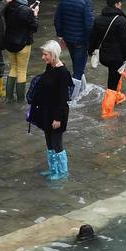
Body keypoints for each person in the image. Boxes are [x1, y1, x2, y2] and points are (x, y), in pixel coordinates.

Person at [28, 40, 73, 180]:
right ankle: (53, 169)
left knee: (57, 142)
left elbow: (63, 98)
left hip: (57, 113)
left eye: (45, 55)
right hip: (46, 111)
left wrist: (58, 118)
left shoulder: (63, 73)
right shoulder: (50, 67)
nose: (43, 57)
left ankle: (62, 172)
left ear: (53, 54)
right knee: (49, 141)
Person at [90, 0, 126, 120]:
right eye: (120, 2)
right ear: (116, 4)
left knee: (116, 74)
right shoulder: (120, 20)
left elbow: (93, 38)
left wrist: (90, 51)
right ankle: (107, 112)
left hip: (104, 56)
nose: (121, 4)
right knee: (112, 84)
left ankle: (118, 96)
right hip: (116, 58)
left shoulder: (98, 19)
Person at [2, 0, 40, 103]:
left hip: (9, 42)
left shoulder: (8, 5)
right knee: (22, 70)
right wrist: (35, 14)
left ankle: (8, 98)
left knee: (13, 68)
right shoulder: (27, 11)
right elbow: (34, 28)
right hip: (23, 43)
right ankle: (20, 100)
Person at [54, 0, 96, 83]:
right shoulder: (87, 2)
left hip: (67, 39)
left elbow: (57, 19)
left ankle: (83, 90)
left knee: (77, 66)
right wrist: (92, 43)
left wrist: (60, 36)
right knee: (78, 70)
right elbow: (89, 25)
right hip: (81, 42)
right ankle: (73, 98)